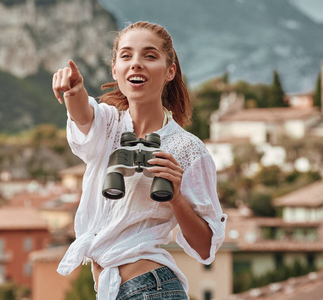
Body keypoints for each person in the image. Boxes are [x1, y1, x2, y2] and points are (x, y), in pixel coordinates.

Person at [52, 21, 226, 300]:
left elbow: (205, 248)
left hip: (151, 287)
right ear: (115, 69)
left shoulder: (188, 149)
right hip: (113, 289)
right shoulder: (108, 124)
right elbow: (83, 114)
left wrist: (176, 197)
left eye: (149, 55)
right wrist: (73, 92)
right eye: (126, 55)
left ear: (170, 71)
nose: (136, 63)